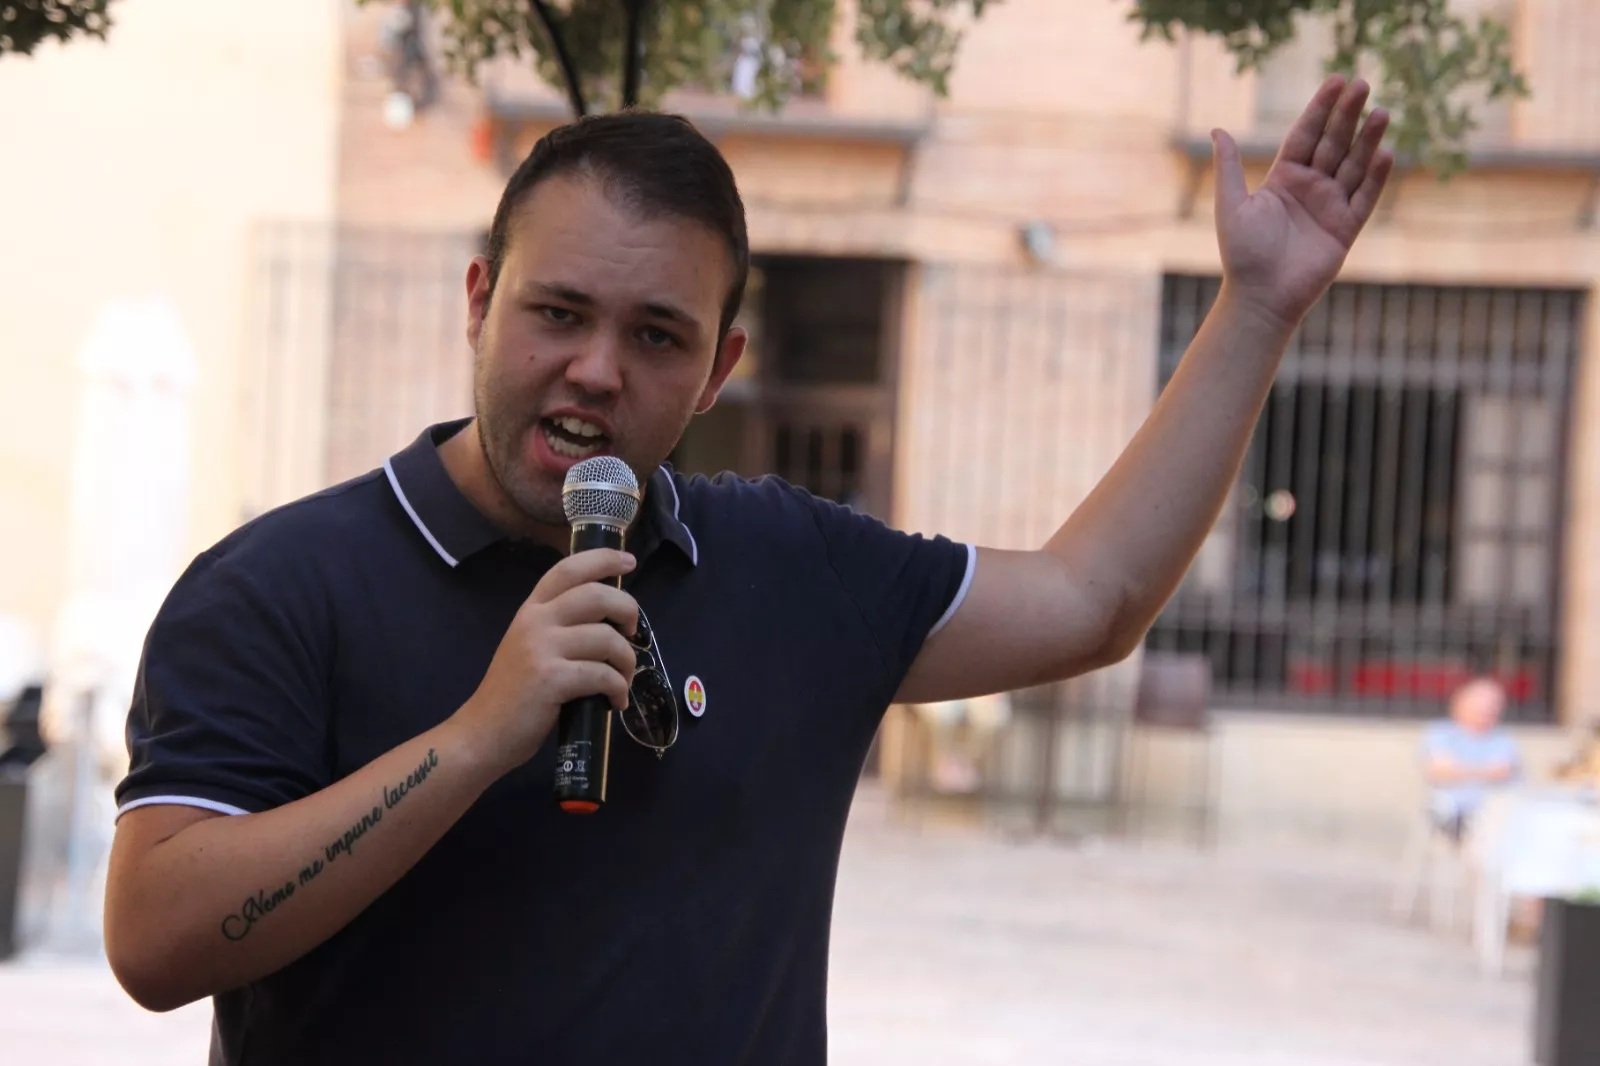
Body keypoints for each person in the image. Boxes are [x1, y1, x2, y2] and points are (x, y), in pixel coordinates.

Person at [104, 75, 1392, 1064]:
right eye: (558, 313)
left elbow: (1089, 600)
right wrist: (475, 740)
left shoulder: (786, 564)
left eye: (655, 334)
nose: (597, 368)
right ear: (480, 300)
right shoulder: (280, 584)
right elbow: (155, 942)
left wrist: (1258, 307)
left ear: (718, 370)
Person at [1422, 676, 1521, 842]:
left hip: (1501, 810)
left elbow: (1502, 772)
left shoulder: (1504, 739)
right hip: (1454, 812)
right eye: (1481, 706)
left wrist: (1460, 771)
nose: (1488, 710)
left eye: (1493, 705)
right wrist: (1486, 772)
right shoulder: (1440, 733)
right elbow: (1440, 772)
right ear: (1461, 704)